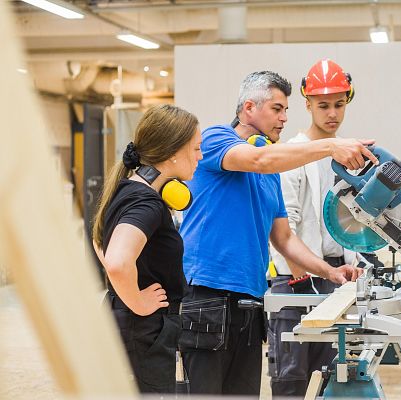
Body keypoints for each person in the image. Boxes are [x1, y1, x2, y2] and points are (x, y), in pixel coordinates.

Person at [178, 70, 373, 396]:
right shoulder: (215, 139)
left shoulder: (269, 172)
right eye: (277, 109)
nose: (284, 118)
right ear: (249, 107)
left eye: (286, 110)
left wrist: (331, 271)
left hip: (250, 302)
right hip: (208, 297)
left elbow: (283, 238)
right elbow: (259, 158)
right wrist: (329, 146)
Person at [91, 104, 202, 393]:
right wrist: (137, 302)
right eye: (196, 149)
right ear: (174, 152)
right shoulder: (147, 203)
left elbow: (98, 239)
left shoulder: (126, 188)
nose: (200, 157)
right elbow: (116, 261)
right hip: (142, 329)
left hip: (132, 325)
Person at [266, 59, 358, 397]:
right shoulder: (292, 153)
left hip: (337, 277)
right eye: (323, 106)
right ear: (307, 105)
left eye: (338, 104)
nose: (332, 113)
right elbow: (282, 228)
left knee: (333, 381)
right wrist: (302, 279)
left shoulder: (347, 154)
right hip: (295, 282)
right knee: (291, 382)